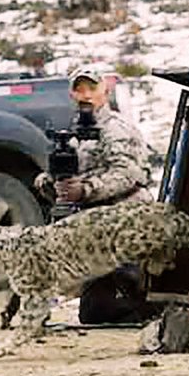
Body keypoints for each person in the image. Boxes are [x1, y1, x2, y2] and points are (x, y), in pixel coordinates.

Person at [29, 65, 153, 325]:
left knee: (129, 292)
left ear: (104, 92)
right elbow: (71, 173)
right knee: (93, 315)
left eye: (91, 88)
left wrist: (86, 190)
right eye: (79, 89)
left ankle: (146, 305)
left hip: (125, 213)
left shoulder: (116, 128)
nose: (85, 95)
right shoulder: (76, 133)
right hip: (95, 216)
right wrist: (52, 185)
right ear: (72, 95)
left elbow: (126, 175)